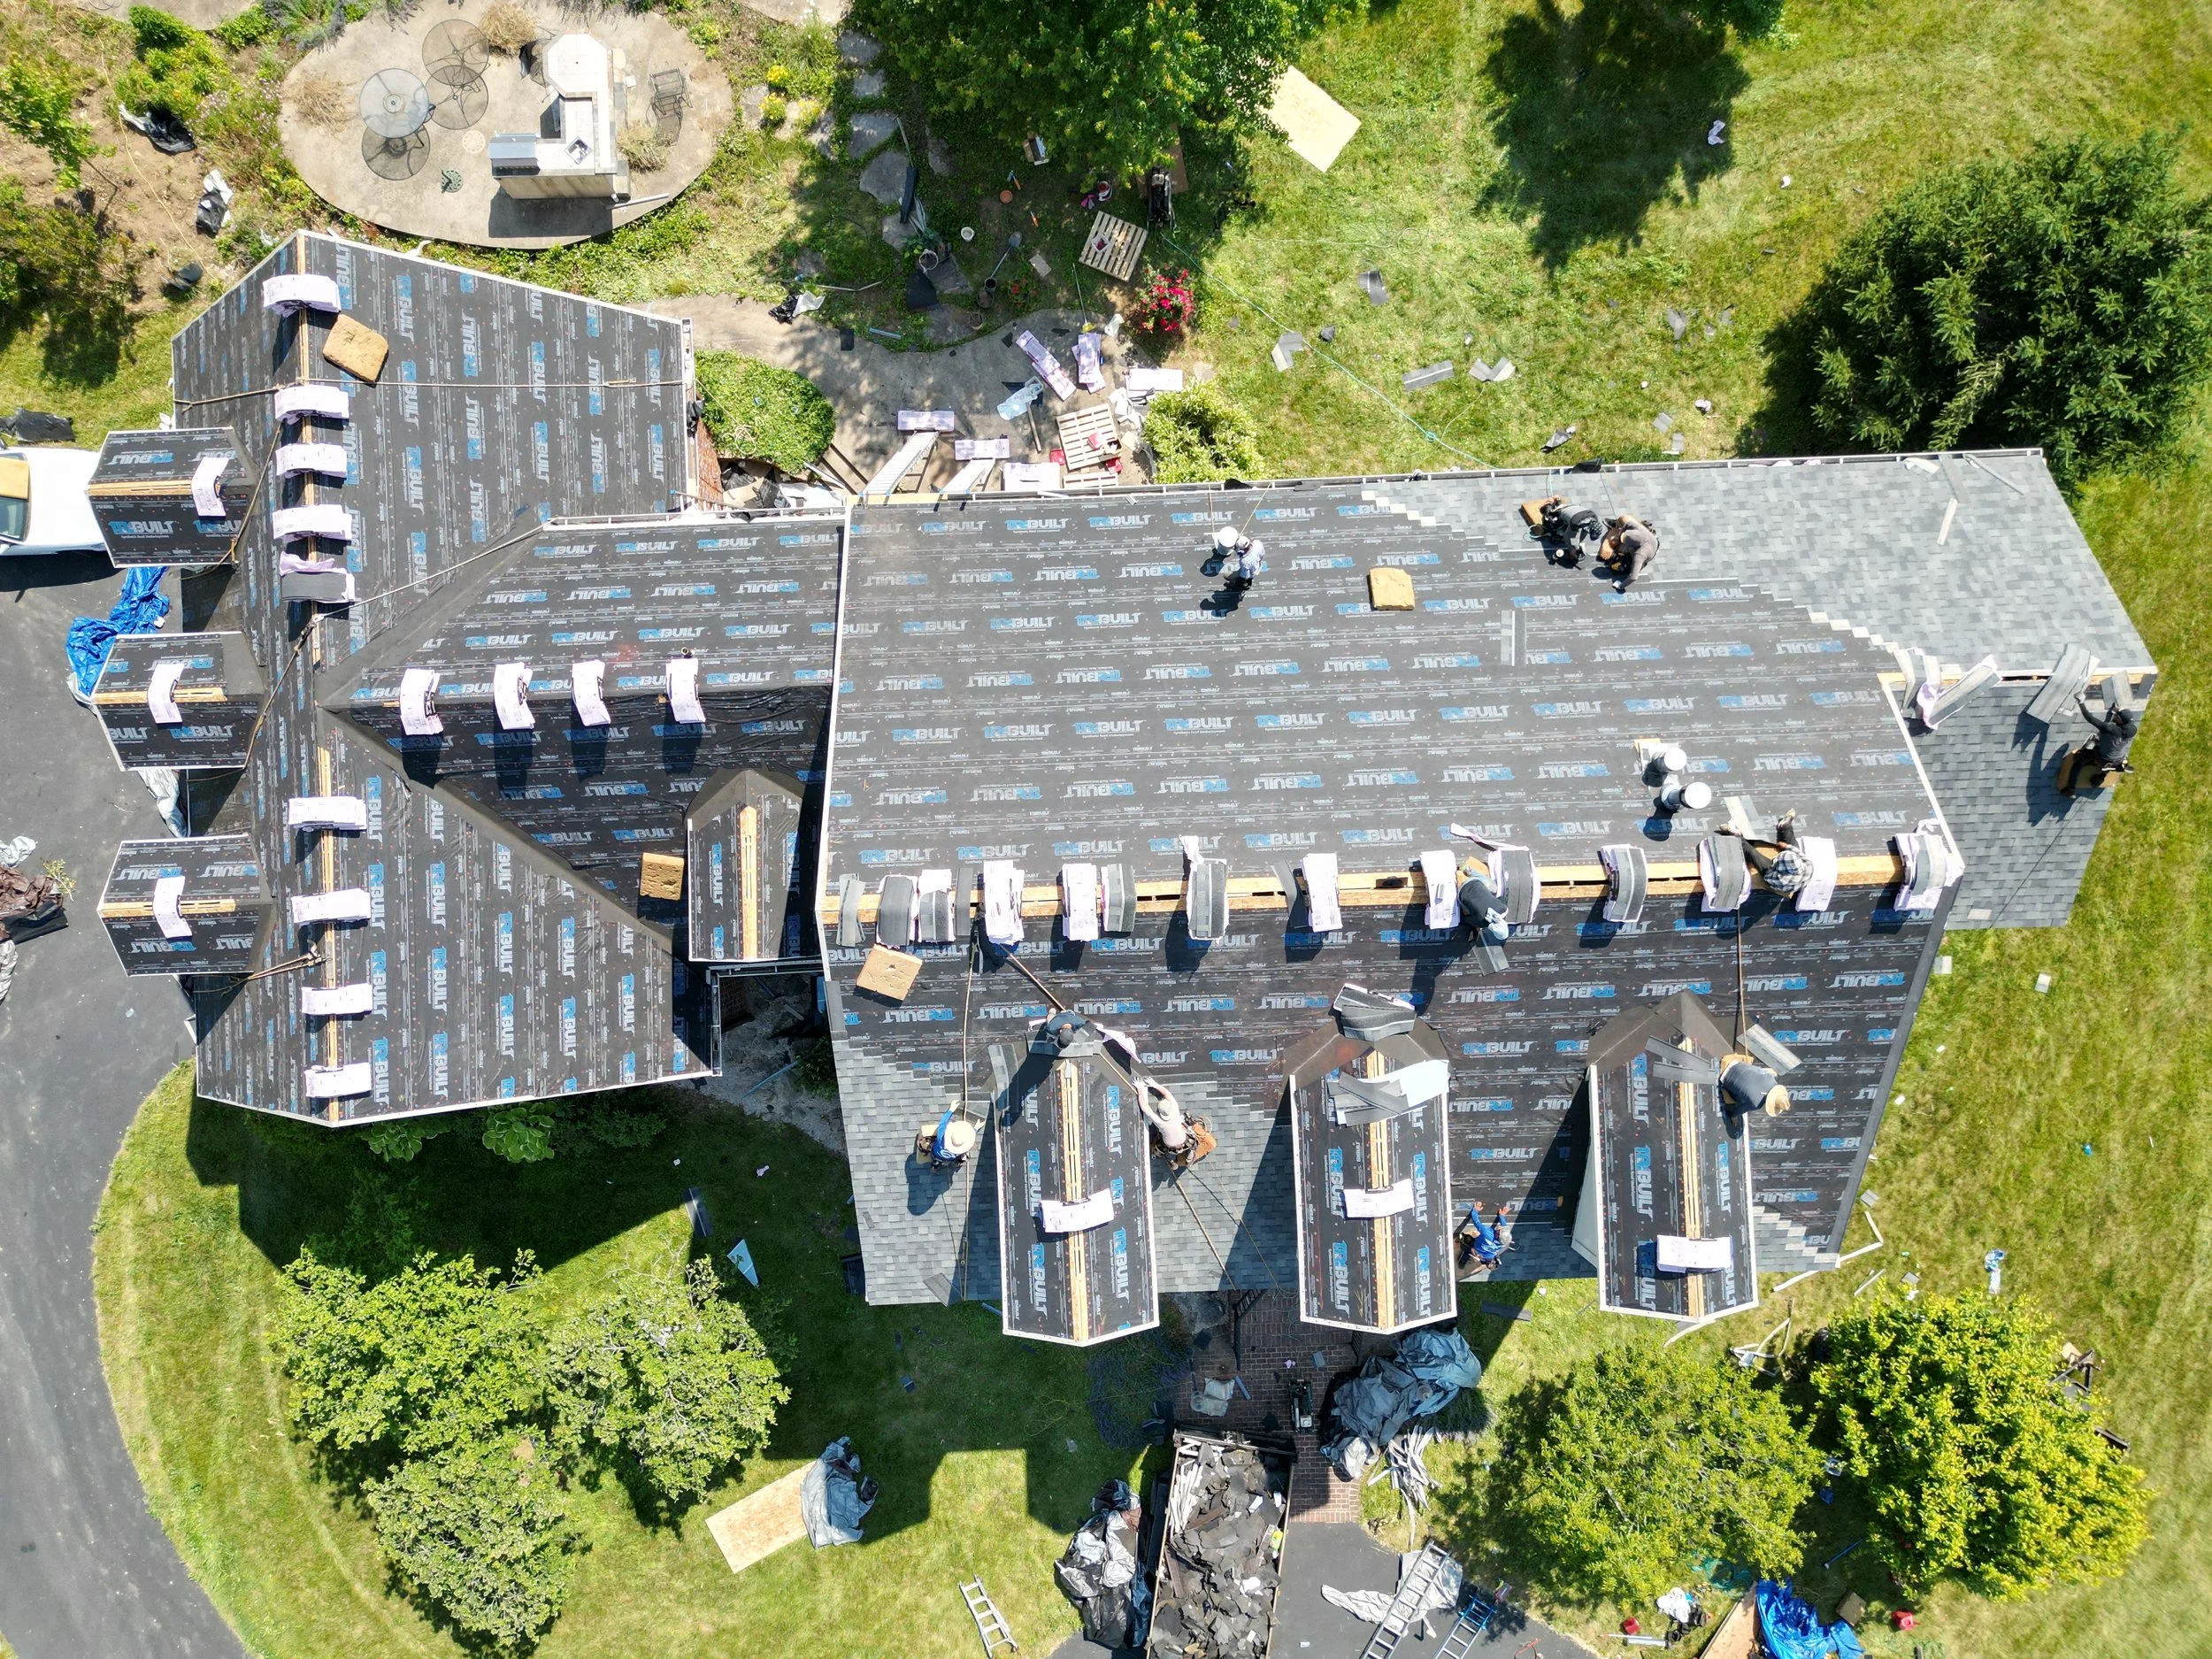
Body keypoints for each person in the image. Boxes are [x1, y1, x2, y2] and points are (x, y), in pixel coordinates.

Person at [2062, 691, 2139, 793]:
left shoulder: (2109, 729)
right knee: (2107, 766)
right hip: (2118, 761)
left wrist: (2081, 703)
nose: (2115, 717)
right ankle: (2099, 778)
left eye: (2117, 716)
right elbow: (2124, 721)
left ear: (2120, 720)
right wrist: (2116, 711)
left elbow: (2090, 718)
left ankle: (2071, 788)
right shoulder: (2132, 729)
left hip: (2102, 758)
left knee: (2078, 762)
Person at [1599, 513, 1660, 591]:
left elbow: (1633, 577)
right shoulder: (1637, 527)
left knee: (1622, 564)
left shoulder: (1639, 555)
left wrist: (1620, 586)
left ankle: (1640, 564)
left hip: (1649, 551)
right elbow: (1627, 523)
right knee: (1625, 518)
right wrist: (1620, 528)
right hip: (1648, 538)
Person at [1455, 1201, 1506, 1272]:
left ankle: (1462, 1257)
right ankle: (1462, 1263)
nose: (1501, 1226)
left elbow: (1476, 1222)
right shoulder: (1503, 1241)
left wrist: (1475, 1211)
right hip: (1481, 1251)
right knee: (1474, 1253)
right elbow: (1504, 1229)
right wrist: (1501, 1217)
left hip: (1475, 1247)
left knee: (1467, 1246)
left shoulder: (1486, 1233)